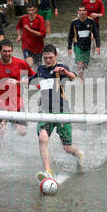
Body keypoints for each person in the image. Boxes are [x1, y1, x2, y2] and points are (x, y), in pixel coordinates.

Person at [29, 44, 84, 182]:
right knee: (42, 139)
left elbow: (75, 78)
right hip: (45, 112)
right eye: (45, 58)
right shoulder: (41, 69)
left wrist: (65, 72)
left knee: (67, 147)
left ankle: (79, 154)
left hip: (62, 112)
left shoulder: (61, 67)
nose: (48, 60)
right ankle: (48, 171)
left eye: (50, 58)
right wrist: (18, 81)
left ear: (56, 56)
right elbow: (33, 79)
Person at [0, 39, 35, 138]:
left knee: (22, 133)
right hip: (0, 104)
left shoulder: (21, 64)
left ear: (12, 51)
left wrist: (43, 88)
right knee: (1, 133)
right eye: (4, 51)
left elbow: (34, 77)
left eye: (9, 51)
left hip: (17, 104)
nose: (7, 54)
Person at [68, 5, 101, 80]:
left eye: (83, 10)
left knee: (85, 66)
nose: (82, 12)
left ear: (86, 12)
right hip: (77, 45)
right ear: (78, 12)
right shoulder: (74, 22)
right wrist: (69, 48)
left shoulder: (91, 21)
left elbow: (96, 35)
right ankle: (81, 82)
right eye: (80, 10)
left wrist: (97, 46)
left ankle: (81, 76)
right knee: (80, 64)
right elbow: (70, 36)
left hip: (87, 45)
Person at [16, 3, 46, 70]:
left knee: (38, 68)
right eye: (29, 10)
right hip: (26, 45)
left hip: (38, 47)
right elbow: (18, 27)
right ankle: (23, 78)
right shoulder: (23, 18)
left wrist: (30, 30)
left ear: (36, 9)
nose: (30, 12)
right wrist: (19, 35)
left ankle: (34, 79)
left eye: (32, 10)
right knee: (29, 64)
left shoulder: (40, 19)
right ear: (26, 10)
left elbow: (43, 35)